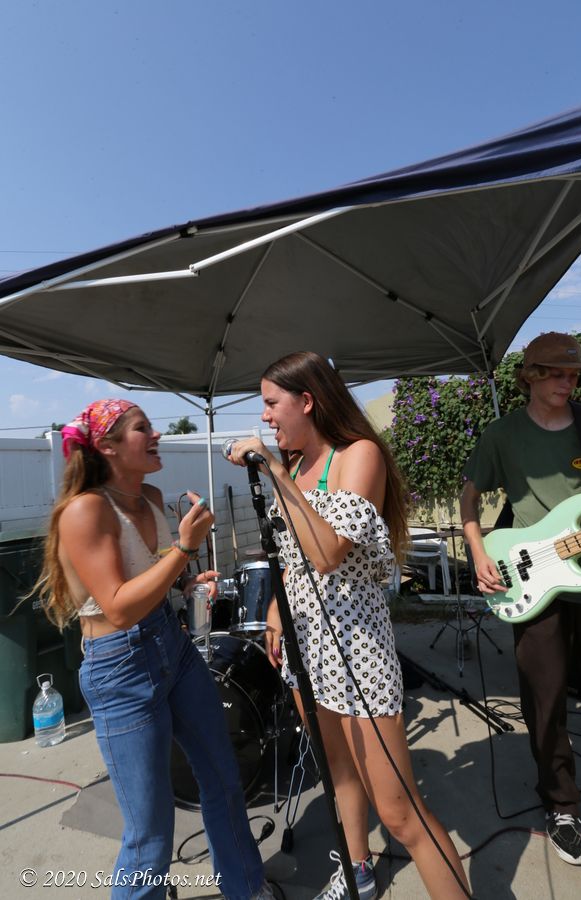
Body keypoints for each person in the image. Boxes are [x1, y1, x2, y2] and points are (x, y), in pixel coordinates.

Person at [226, 352, 470, 900]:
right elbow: (294, 559)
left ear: (307, 401)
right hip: (305, 647)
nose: (264, 416)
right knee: (338, 772)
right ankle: (356, 868)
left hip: (356, 651)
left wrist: (276, 473)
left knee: (401, 813)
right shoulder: (295, 465)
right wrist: (276, 608)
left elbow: (328, 552)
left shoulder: (359, 455)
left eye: (271, 403)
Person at [34, 399, 273, 900]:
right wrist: (185, 548)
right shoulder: (86, 510)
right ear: (107, 446)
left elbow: (147, 572)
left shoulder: (150, 495)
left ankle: (246, 889)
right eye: (142, 428)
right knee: (151, 835)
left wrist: (184, 581)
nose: (157, 434)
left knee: (224, 779)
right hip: (119, 668)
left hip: (171, 644)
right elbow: (118, 606)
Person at [460, 332, 581, 866]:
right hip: (532, 578)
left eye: (574, 374)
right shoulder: (502, 435)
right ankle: (561, 805)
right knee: (545, 698)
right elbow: (470, 497)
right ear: (531, 376)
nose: (569, 382)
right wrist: (479, 552)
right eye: (558, 373)